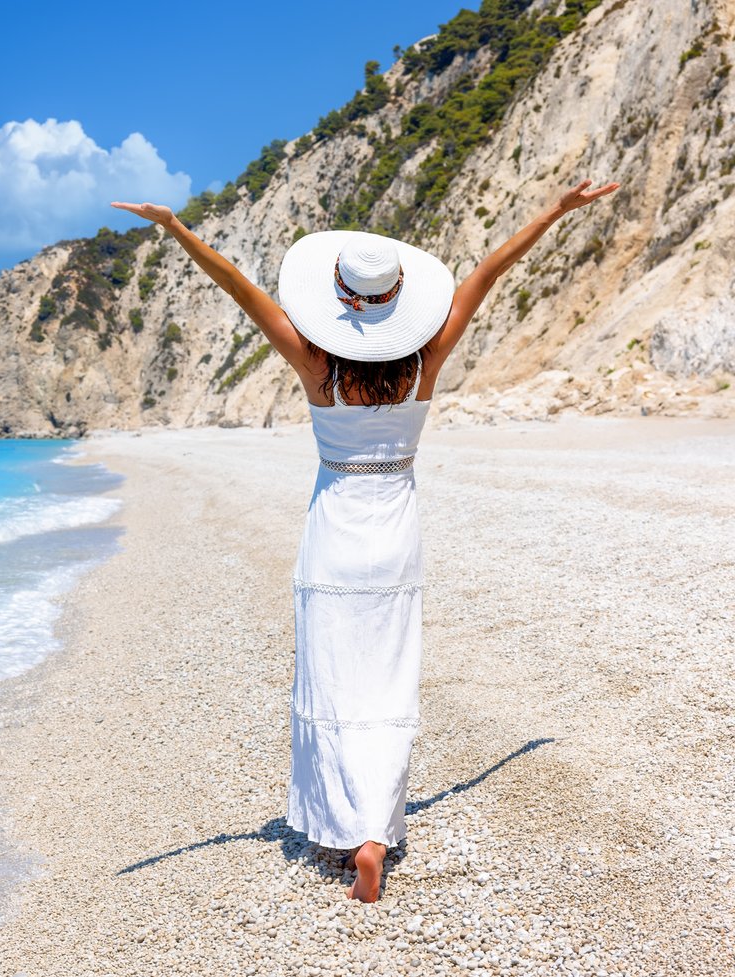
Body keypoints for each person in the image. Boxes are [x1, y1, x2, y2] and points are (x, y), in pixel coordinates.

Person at [110, 179, 619, 901]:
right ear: (399, 301)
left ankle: (341, 828)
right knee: (387, 680)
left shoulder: (319, 370)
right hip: (395, 539)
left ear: (343, 302)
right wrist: (554, 212)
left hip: (333, 537)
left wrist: (177, 228)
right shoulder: (425, 362)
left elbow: (238, 286)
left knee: (332, 678)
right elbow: (487, 273)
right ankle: (376, 832)